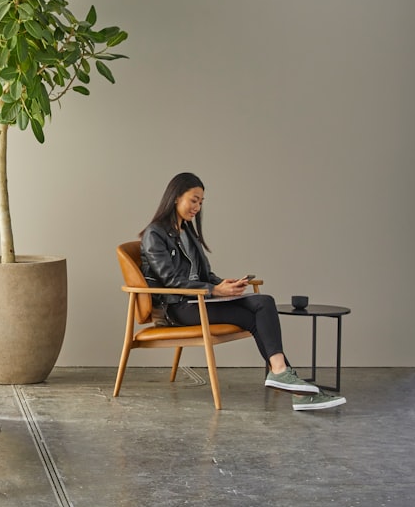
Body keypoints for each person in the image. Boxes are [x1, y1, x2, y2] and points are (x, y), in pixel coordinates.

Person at [140, 172, 346, 412]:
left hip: (200, 300)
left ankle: (288, 380)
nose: (197, 206)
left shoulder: (188, 232)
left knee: (261, 303)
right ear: (176, 197)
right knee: (260, 310)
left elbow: (204, 274)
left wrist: (225, 284)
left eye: (201, 202)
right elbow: (171, 281)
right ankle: (294, 387)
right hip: (179, 308)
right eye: (194, 200)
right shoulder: (155, 234)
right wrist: (214, 290)